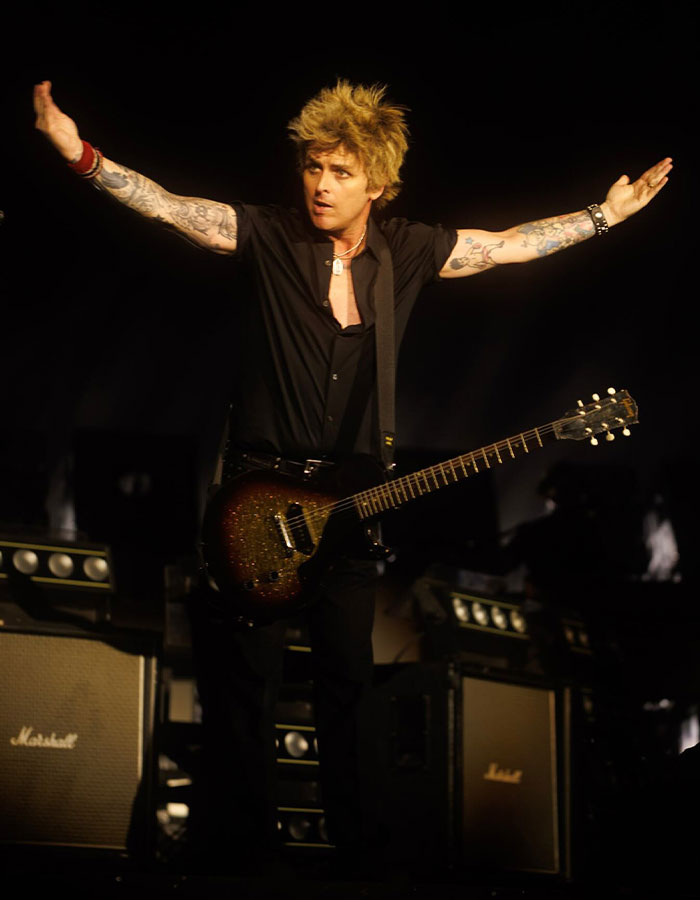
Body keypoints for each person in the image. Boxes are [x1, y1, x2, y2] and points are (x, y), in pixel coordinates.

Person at [33, 79, 671, 876]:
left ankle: (361, 861)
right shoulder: (266, 235)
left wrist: (604, 215)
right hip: (259, 498)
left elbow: (507, 244)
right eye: (313, 168)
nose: (320, 185)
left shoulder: (408, 251)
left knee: (350, 682)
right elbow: (167, 205)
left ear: (378, 182)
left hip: (354, 503)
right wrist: (81, 155)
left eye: (339, 172)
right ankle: (238, 859)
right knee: (245, 690)